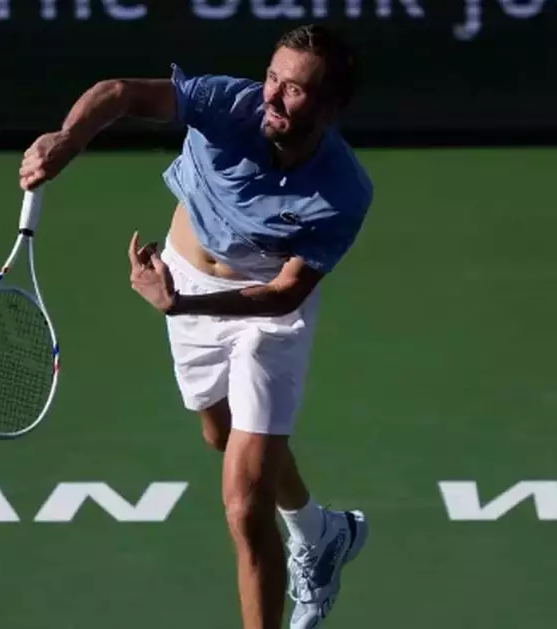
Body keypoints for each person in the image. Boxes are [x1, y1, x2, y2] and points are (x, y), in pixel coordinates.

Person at [18, 24, 373, 629]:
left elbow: (285, 294)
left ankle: (299, 567)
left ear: (331, 106)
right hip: (184, 282)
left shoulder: (341, 192)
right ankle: (321, 532)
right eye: (272, 78)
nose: (273, 96)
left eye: (295, 90)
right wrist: (69, 138)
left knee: (243, 504)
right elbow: (121, 92)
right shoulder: (227, 103)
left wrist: (180, 306)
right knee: (220, 435)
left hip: (264, 316)